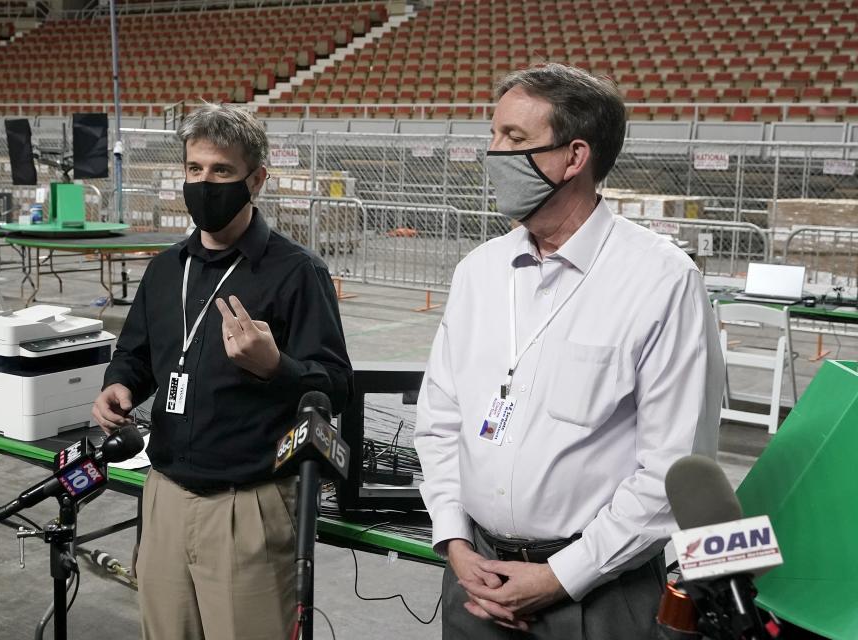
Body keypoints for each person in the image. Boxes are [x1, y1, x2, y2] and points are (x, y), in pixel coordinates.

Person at [414, 63, 725, 639]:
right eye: (493, 134)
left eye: (514, 139)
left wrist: (561, 577)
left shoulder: (659, 280)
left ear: (574, 157)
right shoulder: (479, 273)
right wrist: (455, 542)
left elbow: (673, 470)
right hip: (475, 581)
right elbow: (440, 423)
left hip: (599, 595)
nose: (493, 153)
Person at [92, 103, 353, 640]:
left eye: (222, 171)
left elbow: (338, 385)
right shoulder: (167, 270)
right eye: (195, 169)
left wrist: (276, 367)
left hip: (247, 505)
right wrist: (118, 384)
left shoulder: (296, 273)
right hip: (164, 493)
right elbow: (136, 354)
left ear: (255, 180)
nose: (204, 183)